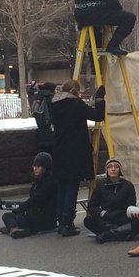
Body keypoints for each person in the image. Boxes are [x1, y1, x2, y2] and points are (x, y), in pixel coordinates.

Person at [49, 79, 106, 236]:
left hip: (59, 149)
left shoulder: (54, 104)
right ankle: (67, 222)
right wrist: (99, 99)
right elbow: (98, 116)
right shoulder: (76, 104)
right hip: (74, 150)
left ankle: (61, 221)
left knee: (62, 185)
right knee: (72, 185)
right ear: (75, 91)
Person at [84, 157, 139, 243]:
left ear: (120, 170)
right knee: (88, 220)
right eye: (110, 167)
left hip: (123, 218)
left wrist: (118, 214)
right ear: (107, 170)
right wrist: (103, 213)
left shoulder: (128, 185)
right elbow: (92, 206)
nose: (113, 169)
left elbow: (131, 206)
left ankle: (108, 235)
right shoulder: (100, 185)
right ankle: (122, 233)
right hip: (106, 218)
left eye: (116, 166)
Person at [0, 152, 58, 238]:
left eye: (39, 166)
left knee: (12, 216)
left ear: (46, 167)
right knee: (8, 215)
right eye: (34, 166)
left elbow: (36, 199)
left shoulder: (50, 182)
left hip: (44, 219)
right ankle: (14, 227)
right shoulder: (37, 182)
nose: (35, 168)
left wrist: (21, 208)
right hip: (35, 215)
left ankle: (14, 227)